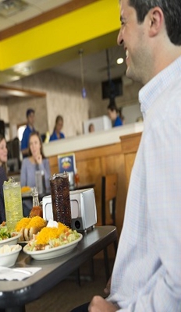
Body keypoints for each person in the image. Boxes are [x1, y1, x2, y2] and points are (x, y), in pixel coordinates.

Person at [72, 0, 181, 311]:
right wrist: (126, 274)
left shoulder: (168, 118)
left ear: (154, 21)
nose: (119, 37)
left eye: (124, 22)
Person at [20, 131, 51, 216]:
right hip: (28, 207)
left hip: (44, 204)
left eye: (35, 143)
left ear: (40, 145)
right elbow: (23, 187)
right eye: (31, 144)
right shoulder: (25, 162)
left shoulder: (45, 162)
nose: (33, 147)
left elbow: (48, 184)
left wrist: (40, 164)